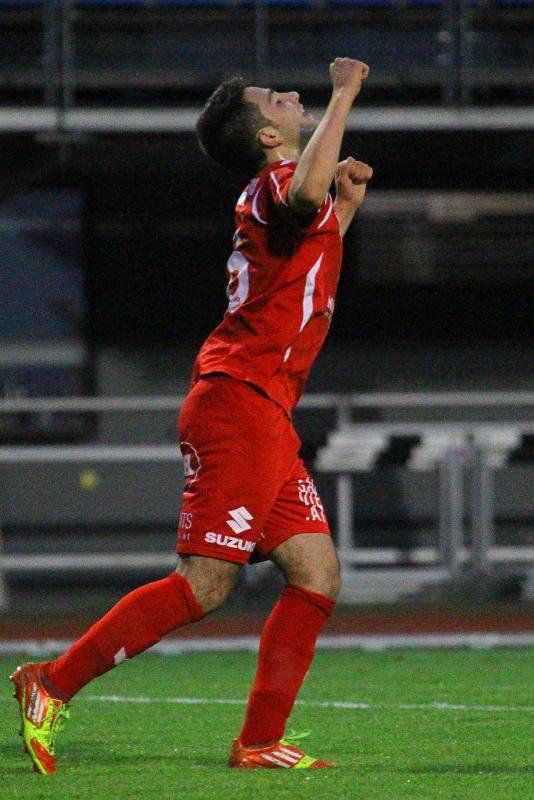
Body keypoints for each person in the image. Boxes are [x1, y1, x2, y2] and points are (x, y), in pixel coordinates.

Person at [11, 57, 373, 774]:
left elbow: (308, 257)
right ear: (268, 135)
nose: (290, 94)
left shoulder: (279, 193)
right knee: (205, 584)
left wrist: (348, 205)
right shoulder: (276, 185)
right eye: (276, 98)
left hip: (264, 410)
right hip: (237, 404)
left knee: (316, 574)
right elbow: (305, 192)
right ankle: (51, 682)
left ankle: (258, 742)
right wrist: (344, 94)